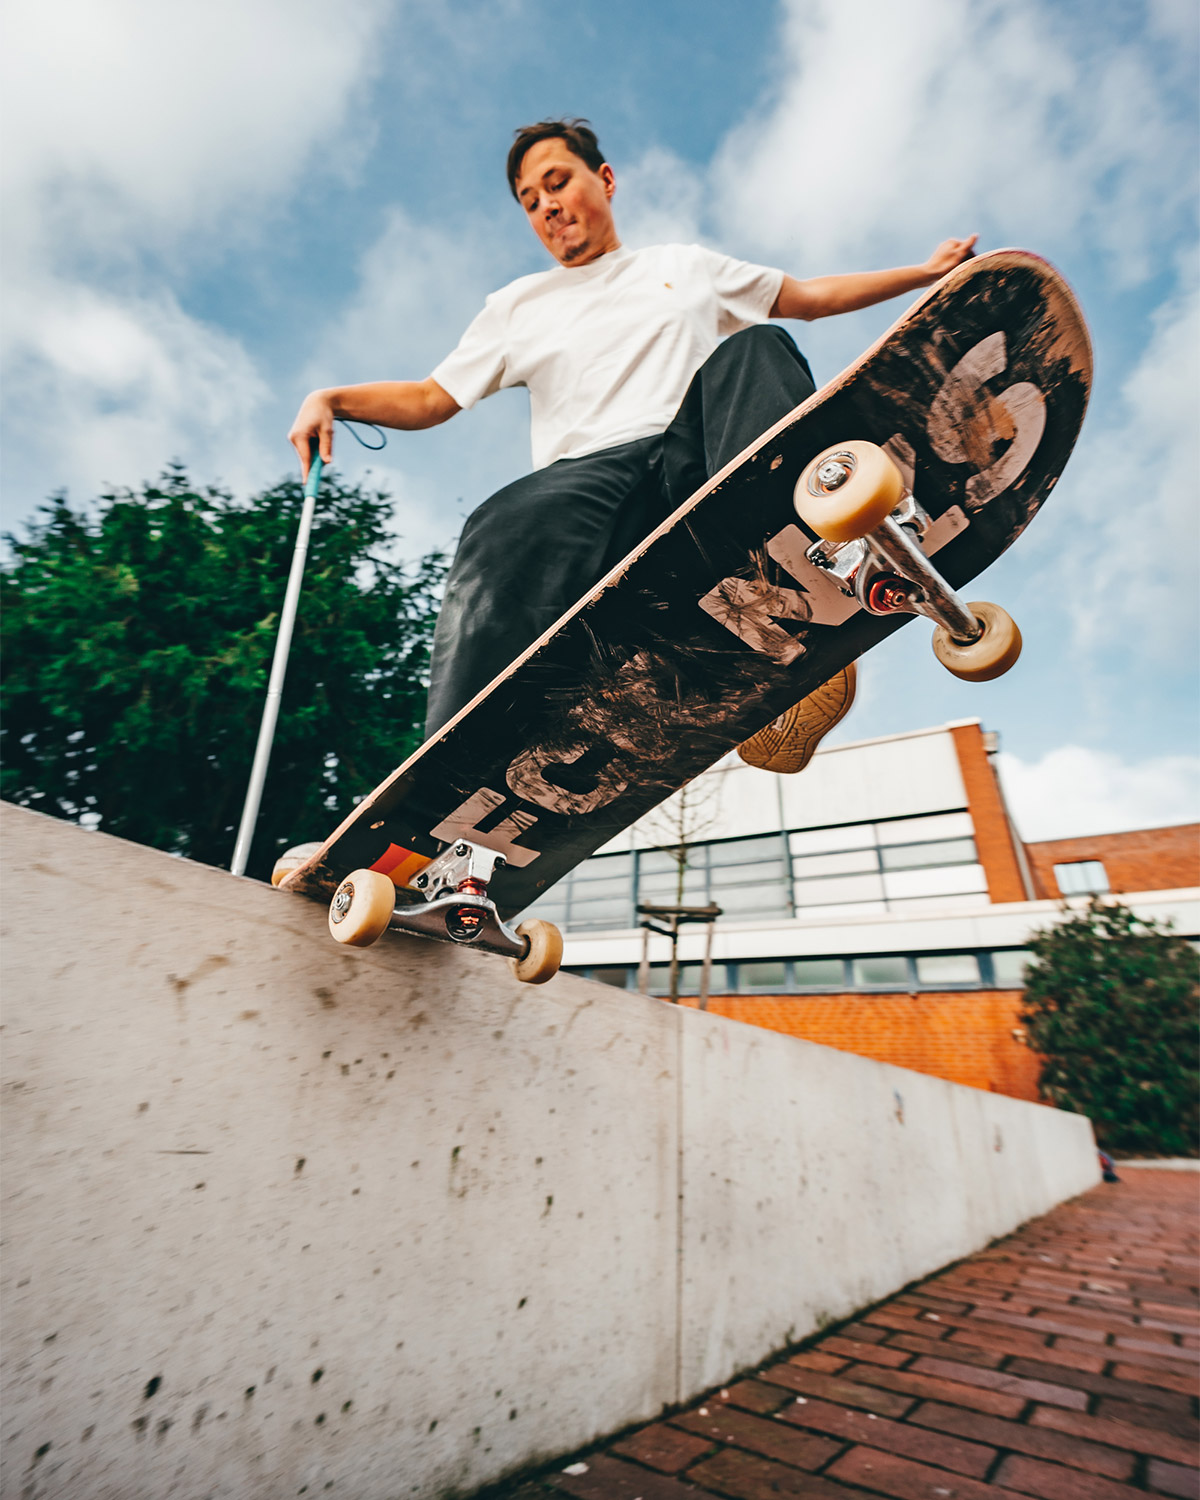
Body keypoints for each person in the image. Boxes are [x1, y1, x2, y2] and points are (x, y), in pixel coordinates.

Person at [289, 118, 976, 768]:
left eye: (556, 183)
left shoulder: (684, 265)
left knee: (758, 349)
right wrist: (333, 398)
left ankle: (831, 557)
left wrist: (921, 275)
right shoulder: (516, 306)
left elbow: (808, 295)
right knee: (502, 523)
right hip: (593, 493)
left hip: (699, 471)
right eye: (530, 202)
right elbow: (432, 396)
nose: (546, 208)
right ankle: (451, 765)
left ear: (605, 179)